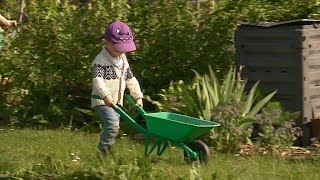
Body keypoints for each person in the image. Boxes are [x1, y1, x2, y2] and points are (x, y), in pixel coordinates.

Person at [91, 20, 143, 157]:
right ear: (108, 42)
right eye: (118, 48)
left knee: (113, 127)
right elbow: (97, 80)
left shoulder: (122, 59)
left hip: (117, 102)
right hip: (102, 101)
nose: (121, 52)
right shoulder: (100, 61)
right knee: (113, 124)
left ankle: (107, 150)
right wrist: (105, 95)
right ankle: (103, 153)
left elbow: (130, 78)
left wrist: (138, 96)